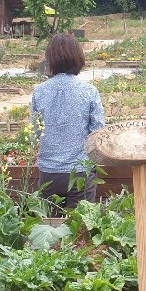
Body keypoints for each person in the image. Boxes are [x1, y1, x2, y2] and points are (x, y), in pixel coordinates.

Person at [30, 33, 106, 210]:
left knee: (49, 229)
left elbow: (35, 134)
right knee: (79, 229)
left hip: (49, 173)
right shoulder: (89, 91)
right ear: (78, 58)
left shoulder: (39, 92)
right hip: (79, 173)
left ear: (51, 59)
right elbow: (98, 132)